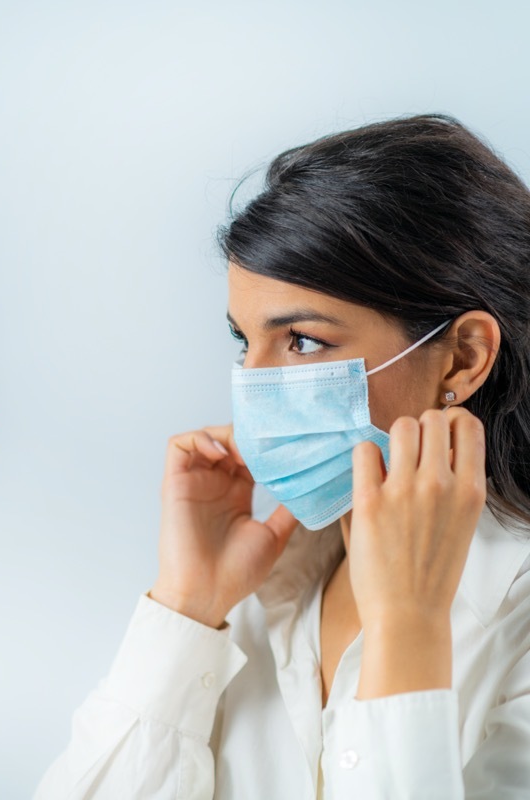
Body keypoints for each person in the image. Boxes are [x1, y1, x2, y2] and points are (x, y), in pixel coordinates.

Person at [35, 115, 530, 799]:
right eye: (245, 342)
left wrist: (408, 633)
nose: (254, 387)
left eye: (301, 342)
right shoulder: (261, 594)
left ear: (464, 356)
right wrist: (189, 607)